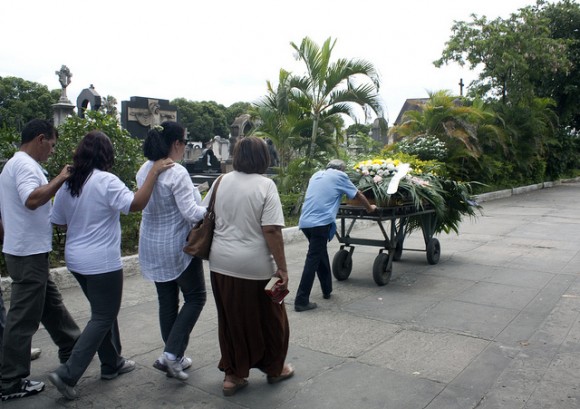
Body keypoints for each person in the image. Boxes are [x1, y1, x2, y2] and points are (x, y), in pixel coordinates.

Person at [47, 131, 174, 400]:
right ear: (106, 155)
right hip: (101, 261)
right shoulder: (106, 181)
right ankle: (68, 373)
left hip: (76, 259)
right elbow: (136, 204)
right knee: (104, 316)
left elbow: (57, 220)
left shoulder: (70, 183)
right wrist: (153, 172)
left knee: (102, 313)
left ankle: (111, 363)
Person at [203, 136, 294, 396]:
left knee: (231, 320)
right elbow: (272, 231)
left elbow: (202, 212)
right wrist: (283, 269)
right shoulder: (266, 185)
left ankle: (233, 376)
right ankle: (275, 368)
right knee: (273, 320)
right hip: (257, 268)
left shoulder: (220, 181)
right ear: (263, 158)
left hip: (221, 265)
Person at [0, 119, 81, 402]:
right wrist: (60, 178)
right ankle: (10, 380)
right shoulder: (24, 165)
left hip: (26, 250)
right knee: (24, 318)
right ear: (41, 139)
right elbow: (31, 200)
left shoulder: (15, 164)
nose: (52, 151)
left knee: (50, 304)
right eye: (52, 145)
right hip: (27, 253)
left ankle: (73, 346)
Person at [137, 122, 207, 381]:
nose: (185, 147)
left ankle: (173, 356)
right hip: (177, 247)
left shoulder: (145, 169)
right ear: (176, 144)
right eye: (185, 142)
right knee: (196, 297)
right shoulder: (176, 172)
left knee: (167, 301)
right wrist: (212, 208)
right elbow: (191, 213)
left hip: (152, 246)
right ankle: (170, 354)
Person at [294, 159, 377, 312]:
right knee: (313, 258)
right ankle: (301, 300)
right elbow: (357, 195)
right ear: (341, 169)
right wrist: (370, 208)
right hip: (320, 223)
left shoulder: (316, 174)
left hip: (306, 222)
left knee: (320, 253)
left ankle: (327, 289)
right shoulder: (340, 176)